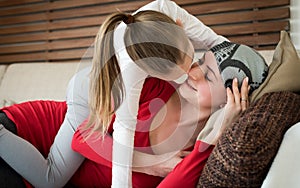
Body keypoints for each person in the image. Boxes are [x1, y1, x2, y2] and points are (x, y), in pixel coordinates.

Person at [0, 0, 227, 187]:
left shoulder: (169, 12)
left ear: (180, 26)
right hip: (88, 94)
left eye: (196, 62)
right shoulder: (134, 75)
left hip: (103, 85)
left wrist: (253, 71)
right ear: (150, 68)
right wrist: (149, 163)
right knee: (50, 181)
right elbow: (123, 131)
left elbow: (216, 42)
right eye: (197, 67)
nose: (191, 74)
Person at [71, 41, 268, 187]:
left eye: (208, 76)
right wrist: (154, 164)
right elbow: (82, 137)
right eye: (200, 62)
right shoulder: (155, 86)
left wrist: (215, 136)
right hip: (49, 131)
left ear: (229, 100)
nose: (193, 72)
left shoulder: (200, 150)